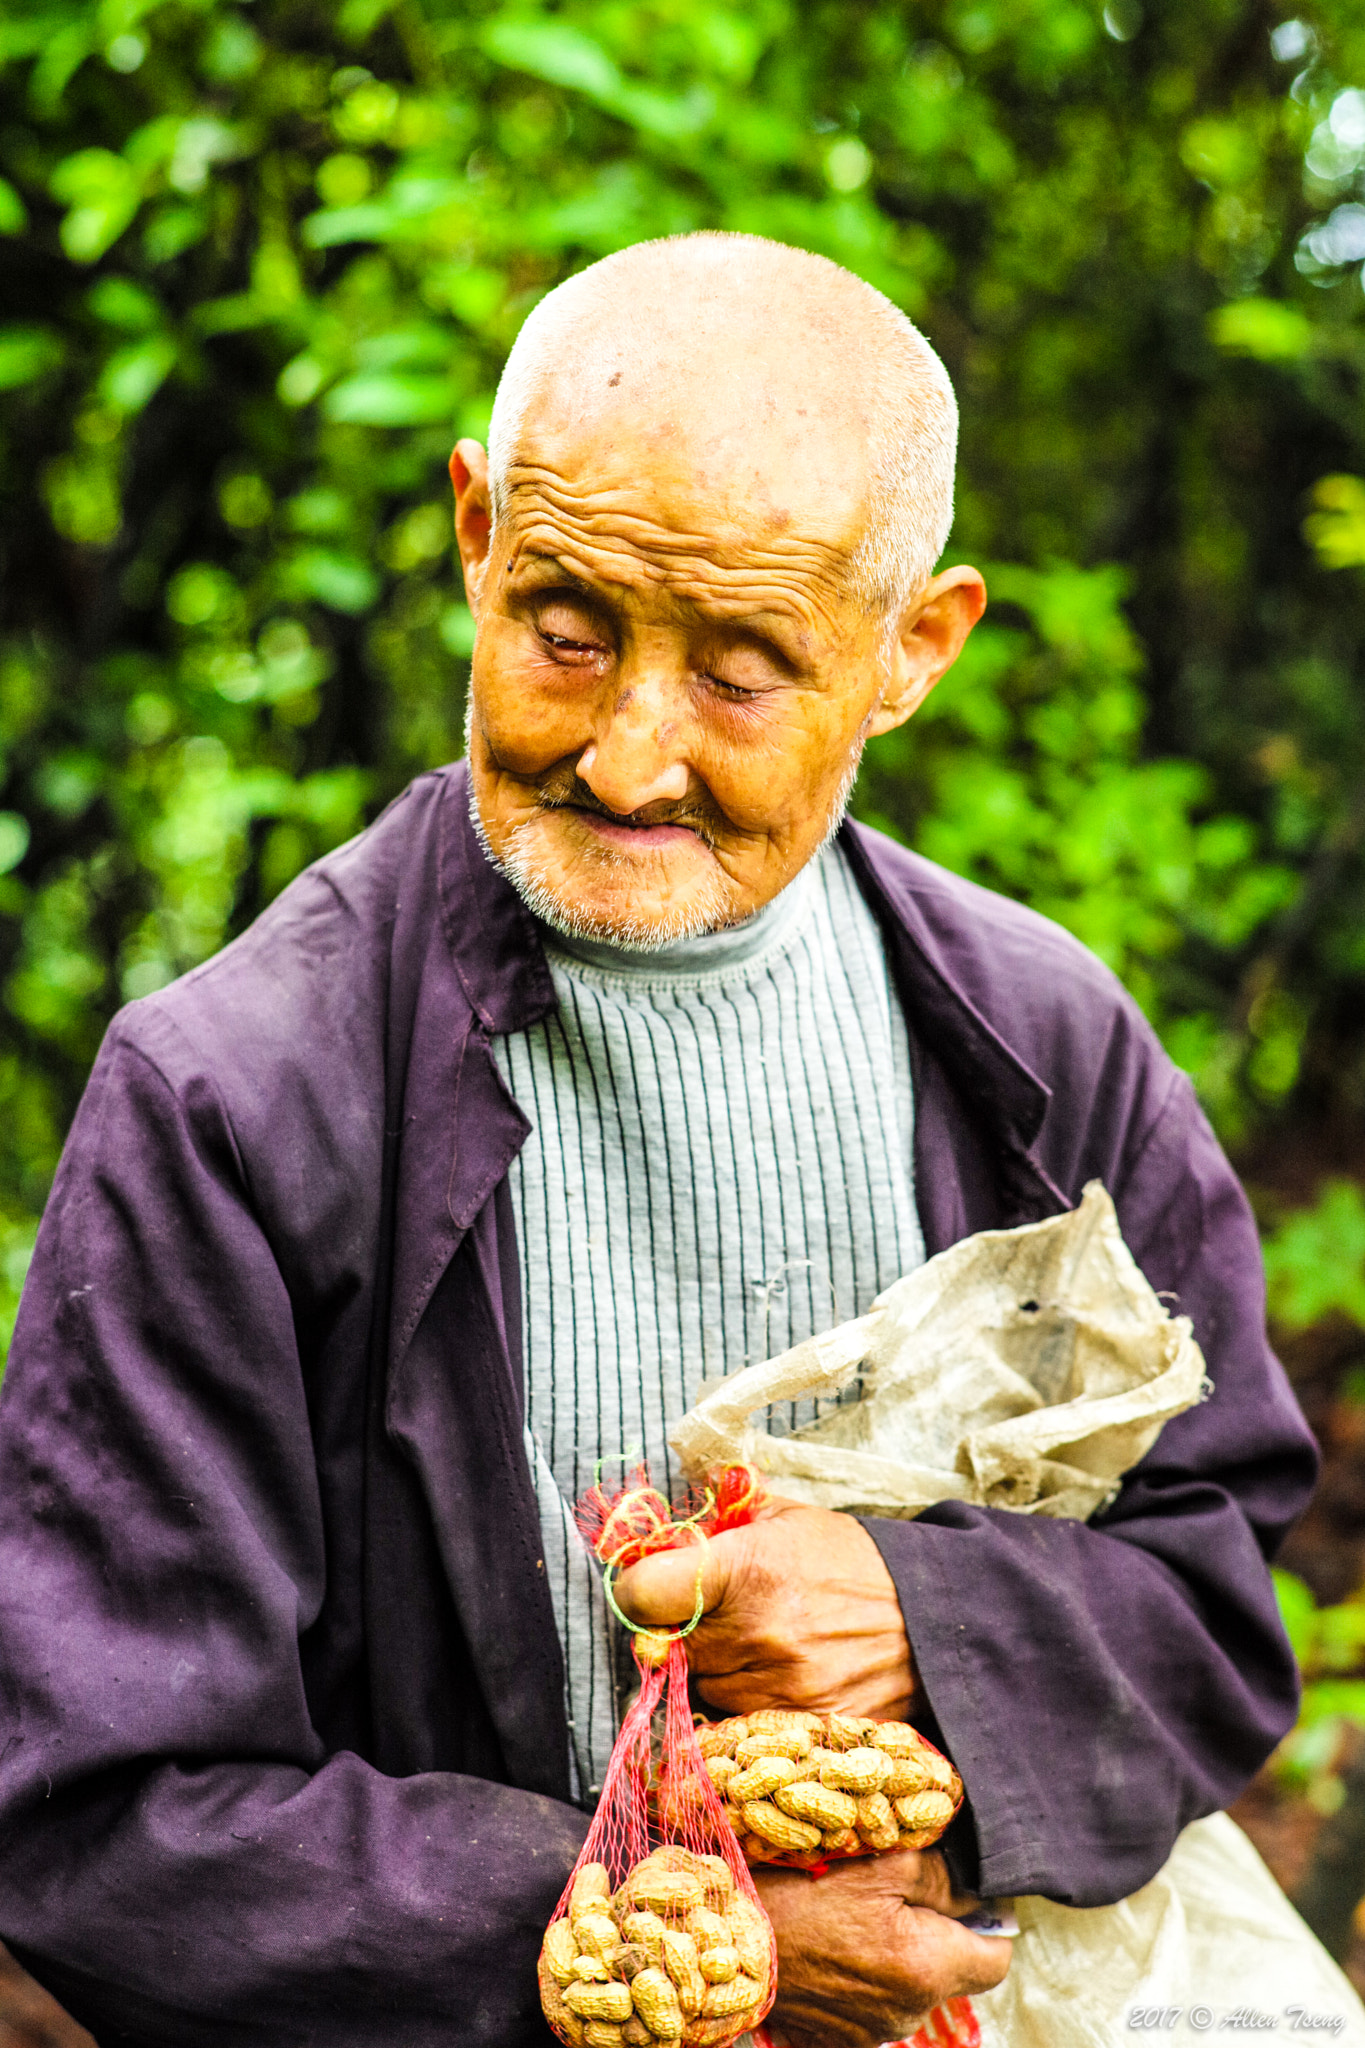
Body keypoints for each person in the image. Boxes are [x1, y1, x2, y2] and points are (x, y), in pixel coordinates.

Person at [0, 233, 1316, 2048]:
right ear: (477, 531)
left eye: (742, 669)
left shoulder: (1043, 1046)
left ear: (909, 651)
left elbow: (1216, 1586)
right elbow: (100, 1811)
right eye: (564, 625)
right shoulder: (235, 1099)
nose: (624, 756)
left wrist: (915, 1615)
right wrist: (671, 1938)